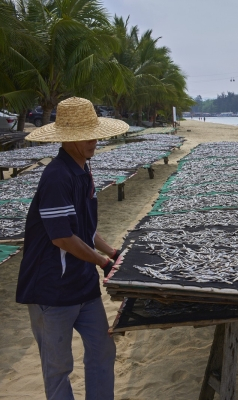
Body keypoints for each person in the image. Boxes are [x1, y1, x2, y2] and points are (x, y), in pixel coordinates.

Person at [16, 97, 129, 400]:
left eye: (95, 133)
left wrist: (114, 253)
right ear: (68, 138)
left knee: (102, 351)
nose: (94, 140)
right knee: (58, 367)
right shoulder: (56, 176)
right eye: (86, 135)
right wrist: (104, 263)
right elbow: (63, 238)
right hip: (52, 290)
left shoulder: (83, 169)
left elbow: (85, 230)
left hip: (82, 286)